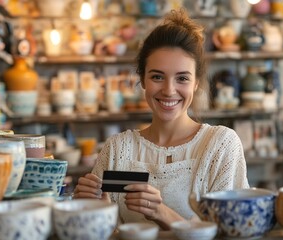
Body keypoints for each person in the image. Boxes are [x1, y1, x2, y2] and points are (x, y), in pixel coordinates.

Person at [73, 8, 249, 230]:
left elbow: (234, 232)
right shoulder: (117, 149)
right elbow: (101, 231)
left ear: (196, 83)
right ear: (143, 80)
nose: (168, 90)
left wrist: (161, 212)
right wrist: (95, 210)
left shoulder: (221, 145)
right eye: (157, 76)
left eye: (182, 78)